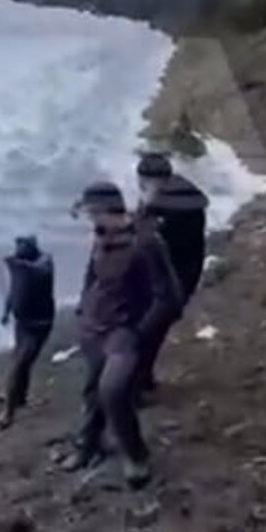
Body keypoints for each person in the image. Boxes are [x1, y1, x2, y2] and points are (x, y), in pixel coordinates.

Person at [64, 181, 182, 488]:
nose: (90, 220)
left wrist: (139, 333)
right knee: (92, 392)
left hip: (124, 331)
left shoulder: (146, 242)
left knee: (114, 391)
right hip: (94, 326)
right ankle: (88, 445)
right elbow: (93, 277)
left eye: (91, 212)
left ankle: (135, 457)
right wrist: (81, 309)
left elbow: (168, 297)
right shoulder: (102, 235)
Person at [135, 152, 209, 397]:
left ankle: (135, 387)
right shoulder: (187, 200)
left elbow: (147, 247)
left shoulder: (163, 210)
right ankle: (143, 380)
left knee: (140, 336)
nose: (140, 187)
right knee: (153, 334)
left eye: (143, 182)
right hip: (184, 279)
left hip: (165, 285)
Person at [0, 235, 56, 429]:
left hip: (39, 324)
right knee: (21, 362)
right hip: (21, 322)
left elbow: (38, 272)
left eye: (22, 245)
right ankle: (19, 397)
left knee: (20, 363)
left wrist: (17, 266)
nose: (18, 249)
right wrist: (6, 311)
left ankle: (8, 410)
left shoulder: (44, 262)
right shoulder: (20, 265)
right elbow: (14, 289)